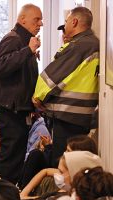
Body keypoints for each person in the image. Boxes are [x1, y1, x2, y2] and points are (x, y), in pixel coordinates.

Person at [33, 7, 99, 164]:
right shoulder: (92, 43)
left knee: (62, 162)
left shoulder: (79, 45)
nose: (65, 25)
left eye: (66, 21)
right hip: (80, 114)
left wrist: (37, 97)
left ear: (74, 21)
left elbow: (50, 77)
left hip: (68, 113)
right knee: (75, 161)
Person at [0, 4, 43, 184]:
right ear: (22, 20)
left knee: (15, 155)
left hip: (18, 109)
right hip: (9, 110)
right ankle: (3, 194)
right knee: (11, 157)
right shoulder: (13, 39)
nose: (41, 23)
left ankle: (6, 192)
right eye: (37, 19)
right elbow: (2, 68)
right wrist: (27, 51)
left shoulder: (24, 42)